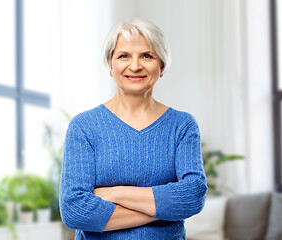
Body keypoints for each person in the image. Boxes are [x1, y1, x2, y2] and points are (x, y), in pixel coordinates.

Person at [59, 18, 207, 239]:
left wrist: (114, 193)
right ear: (111, 65)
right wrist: (165, 208)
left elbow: (193, 195)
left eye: (147, 56)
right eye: (123, 56)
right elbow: (75, 211)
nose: (135, 66)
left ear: (162, 66)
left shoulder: (182, 125)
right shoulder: (84, 127)